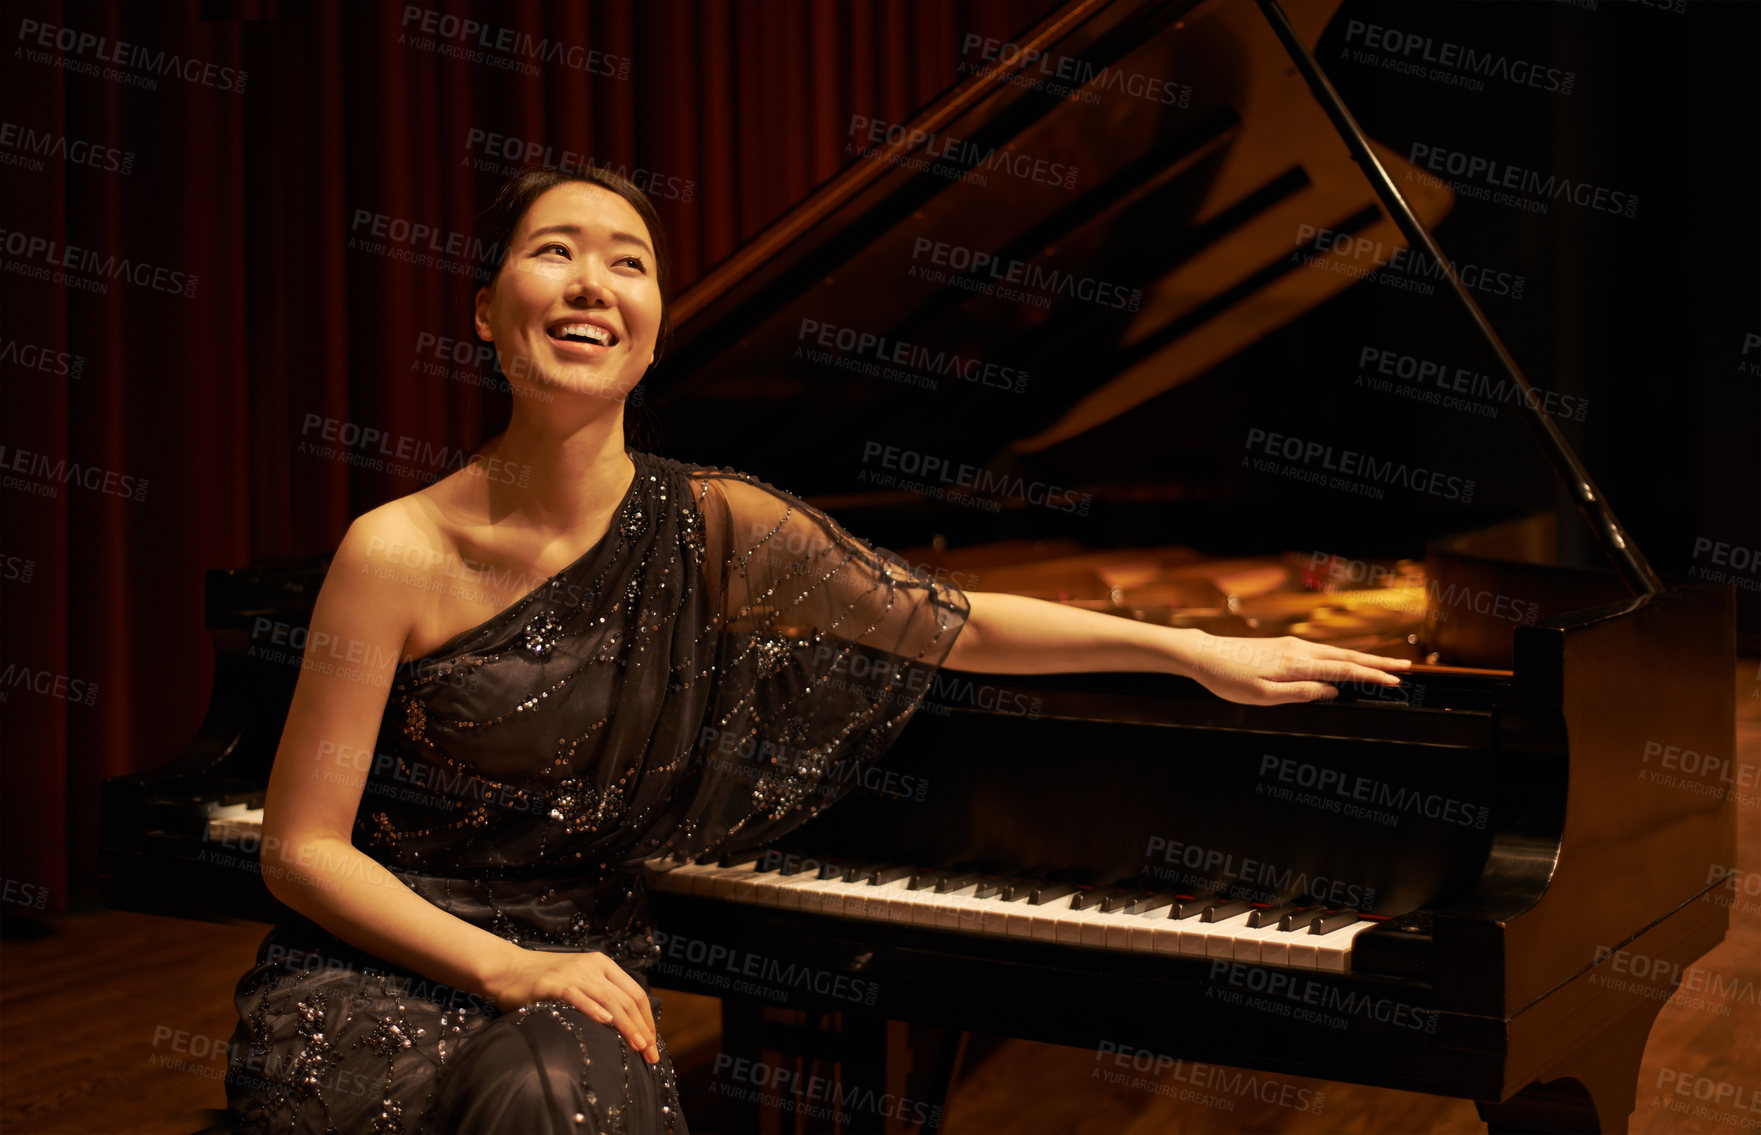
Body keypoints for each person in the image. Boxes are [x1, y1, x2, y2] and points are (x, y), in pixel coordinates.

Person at [223, 165, 1410, 1135]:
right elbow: (301, 851)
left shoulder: (719, 526)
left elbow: (956, 619)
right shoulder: (393, 551)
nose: (593, 280)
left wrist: (1195, 649)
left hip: (578, 974)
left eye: (628, 261)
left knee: (554, 1094)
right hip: (387, 970)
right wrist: (506, 968)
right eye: (554, 249)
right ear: (485, 311)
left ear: (652, 341)